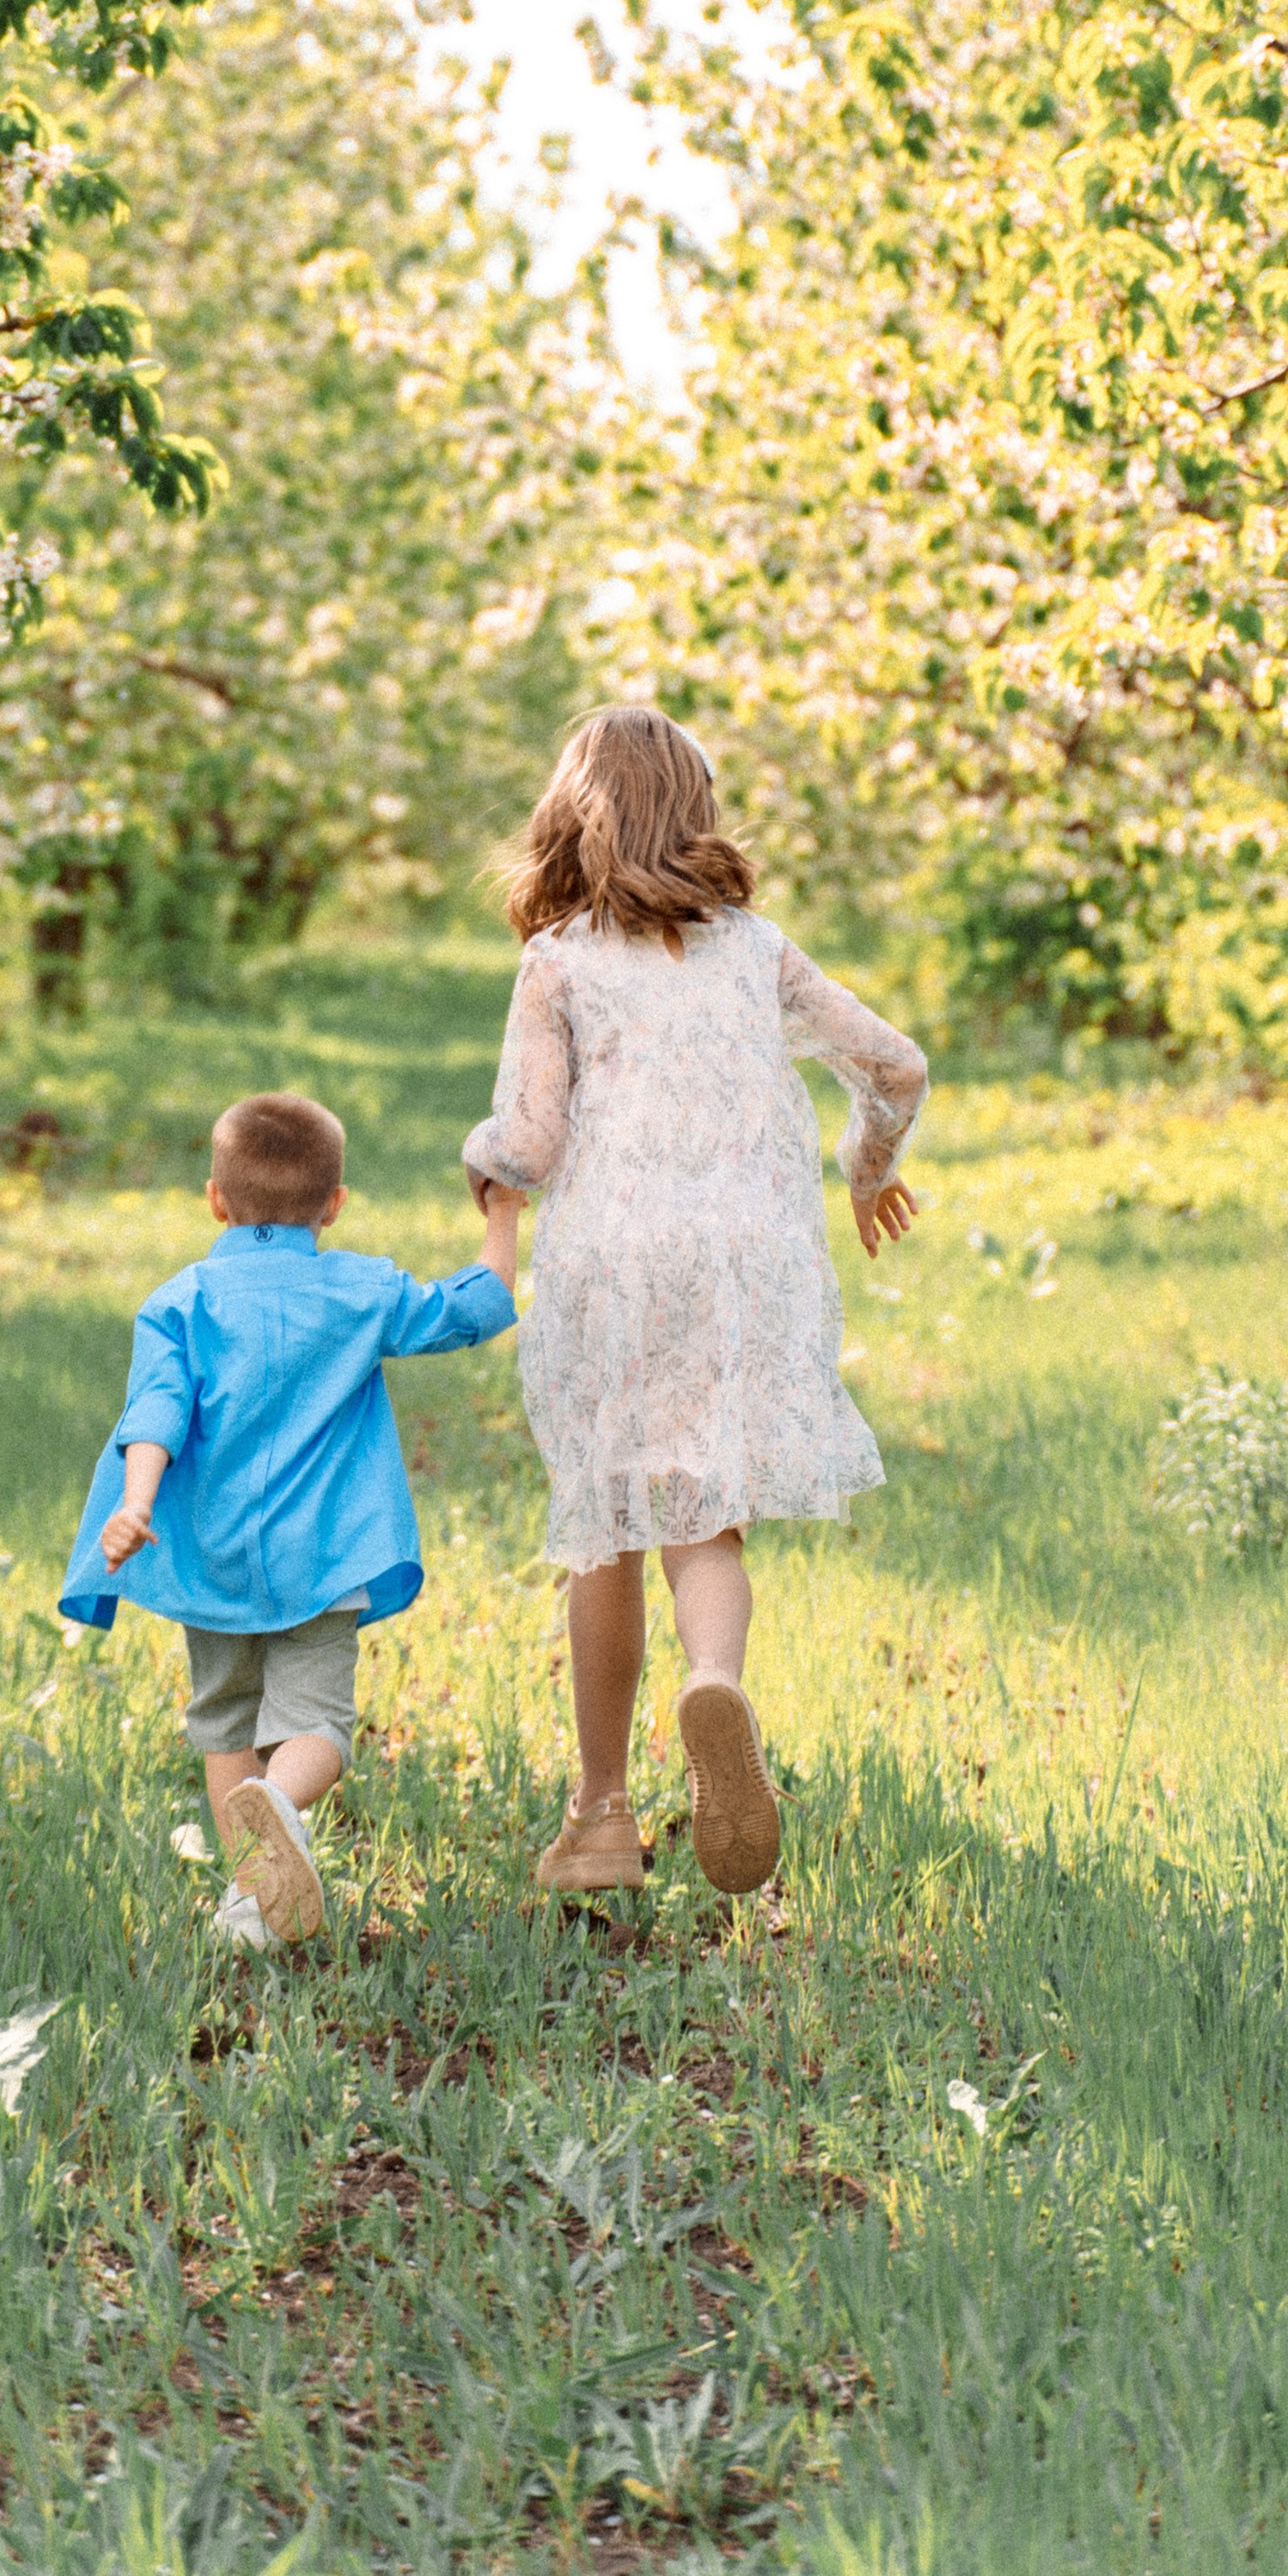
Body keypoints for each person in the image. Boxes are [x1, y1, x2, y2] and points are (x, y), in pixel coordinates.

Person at [461, 708, 926, 1902]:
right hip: (740, 1264)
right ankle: (713, 1677)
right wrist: (866, 1165)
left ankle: (601, 1818)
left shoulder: (557, 957)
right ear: (699, 815)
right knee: (702, 1513)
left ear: (574, 818)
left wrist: (482, 1158)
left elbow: (531, 1138)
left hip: (614, 1267)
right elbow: (895, 1064)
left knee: (603, 1524)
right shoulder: (756, 948)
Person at [59, 1090, 523, 1948]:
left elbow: (154, 1414)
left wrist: (133, 1506)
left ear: (215, 1199)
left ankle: (247, 1902)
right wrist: (503, 1216)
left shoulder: (181, 1303)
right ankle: (280, 1805)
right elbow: (470, 1308)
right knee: (318, 1730)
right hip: (324, 1556)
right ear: (335, 1206)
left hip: (214, 1562)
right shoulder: (359, 1289)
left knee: (226, 1724)